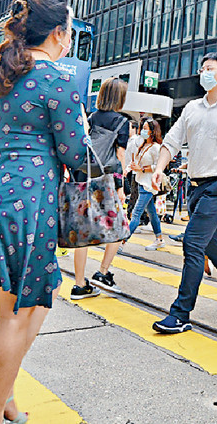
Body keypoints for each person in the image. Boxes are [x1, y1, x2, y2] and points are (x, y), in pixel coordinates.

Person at [0, 0, 88, 424]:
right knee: (18, 315)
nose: (71, 36)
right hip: (29, 201)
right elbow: (76, 154)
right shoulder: (58, 77)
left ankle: (7, 402)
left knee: (18, 305)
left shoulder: (0, 74)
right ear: (58, 32)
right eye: (70, 28)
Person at [149, 52, 217, 334]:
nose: (204, 73)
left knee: (192, 244)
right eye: (202, 69)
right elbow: (171, 141)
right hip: (195, 186)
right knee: (211, 244)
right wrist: (159, 169)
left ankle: (180, 313)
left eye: (210, 69)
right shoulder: (191, 108)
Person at [72, 77, 131, 297]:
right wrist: (121, 187)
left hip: (83, 177)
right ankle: (103, 273)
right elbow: (120, 157)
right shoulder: (122, 122)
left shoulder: (90, 117)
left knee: (82, 232)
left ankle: (79, 284)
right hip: (105, 181)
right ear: (120, 98)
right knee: (119, 228)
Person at [128, 118, 166, 250]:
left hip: (149, 184)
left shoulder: (156, 147)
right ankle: (159, 238)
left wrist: (143, 169)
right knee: (152, 212)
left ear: (152, 131)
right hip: (141, 181)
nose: (142, 131)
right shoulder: (143, 145)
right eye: (142, 128)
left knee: (136, 213)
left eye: (145, 129)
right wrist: (134, 167)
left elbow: (159, 166)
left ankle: (120, 242)